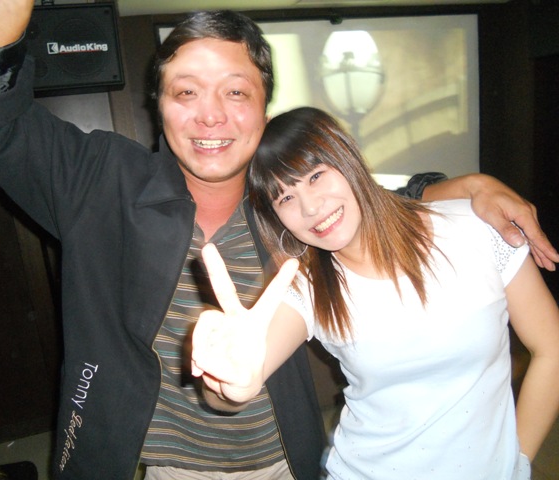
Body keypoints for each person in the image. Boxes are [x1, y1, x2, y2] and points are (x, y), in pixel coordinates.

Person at [0, 1, 558, 478]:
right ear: (157, 105)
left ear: (264, 108)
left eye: (235, 92)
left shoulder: (289, 203)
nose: (211, 115)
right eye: (186, 92)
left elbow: (373, 201)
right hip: (160, 463)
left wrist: (466, 185)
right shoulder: (100, 181)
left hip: (286, 457)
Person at [191, 107, 559, 479]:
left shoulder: (472, 228)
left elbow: (552, 348)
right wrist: (227, 382)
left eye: (316, 176)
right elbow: (241, 374)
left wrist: (517, 462)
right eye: (285, 198)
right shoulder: (308, 286)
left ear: (347, 157)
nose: (310, 207)